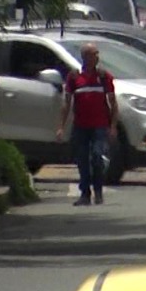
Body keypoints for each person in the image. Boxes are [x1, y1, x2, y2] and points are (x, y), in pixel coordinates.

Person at [55, 43, 118, 207]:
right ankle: (85, 193)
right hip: (81, 125)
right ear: (85, 57)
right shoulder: (74, 77)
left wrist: (112, 126)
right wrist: (61, 127)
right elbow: (66, 103)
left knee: (97, 157)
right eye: (93, 54)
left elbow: (113, 103)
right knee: (82, 160)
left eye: (97, 53)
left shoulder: (104, 77)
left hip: (100, 125)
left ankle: (98, 191)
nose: (96, 57)